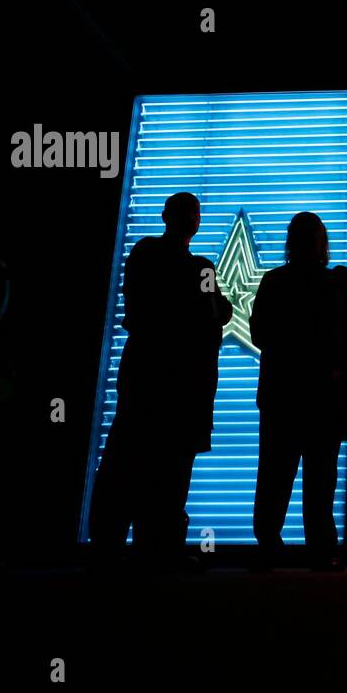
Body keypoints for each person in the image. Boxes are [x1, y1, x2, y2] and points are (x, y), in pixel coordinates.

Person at [89, 192, 232, 568]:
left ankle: (113, 543)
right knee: (168, 466)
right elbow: (215, 311)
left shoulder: (145, 255)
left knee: (130, 457)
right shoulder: (196, 268)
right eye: (192, 213)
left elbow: (142, 306)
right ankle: (158, 545)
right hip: (181, 383)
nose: (194, 219)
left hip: (149, 374)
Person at [249, 212, 347, 571]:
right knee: (320, 476)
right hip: (325, 395)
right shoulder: (339, 283)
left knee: (275, 473)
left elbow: (260, 334)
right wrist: (337, 368)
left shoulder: (275, 281)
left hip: (283, 394)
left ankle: (270, 546)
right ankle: (320, 550)